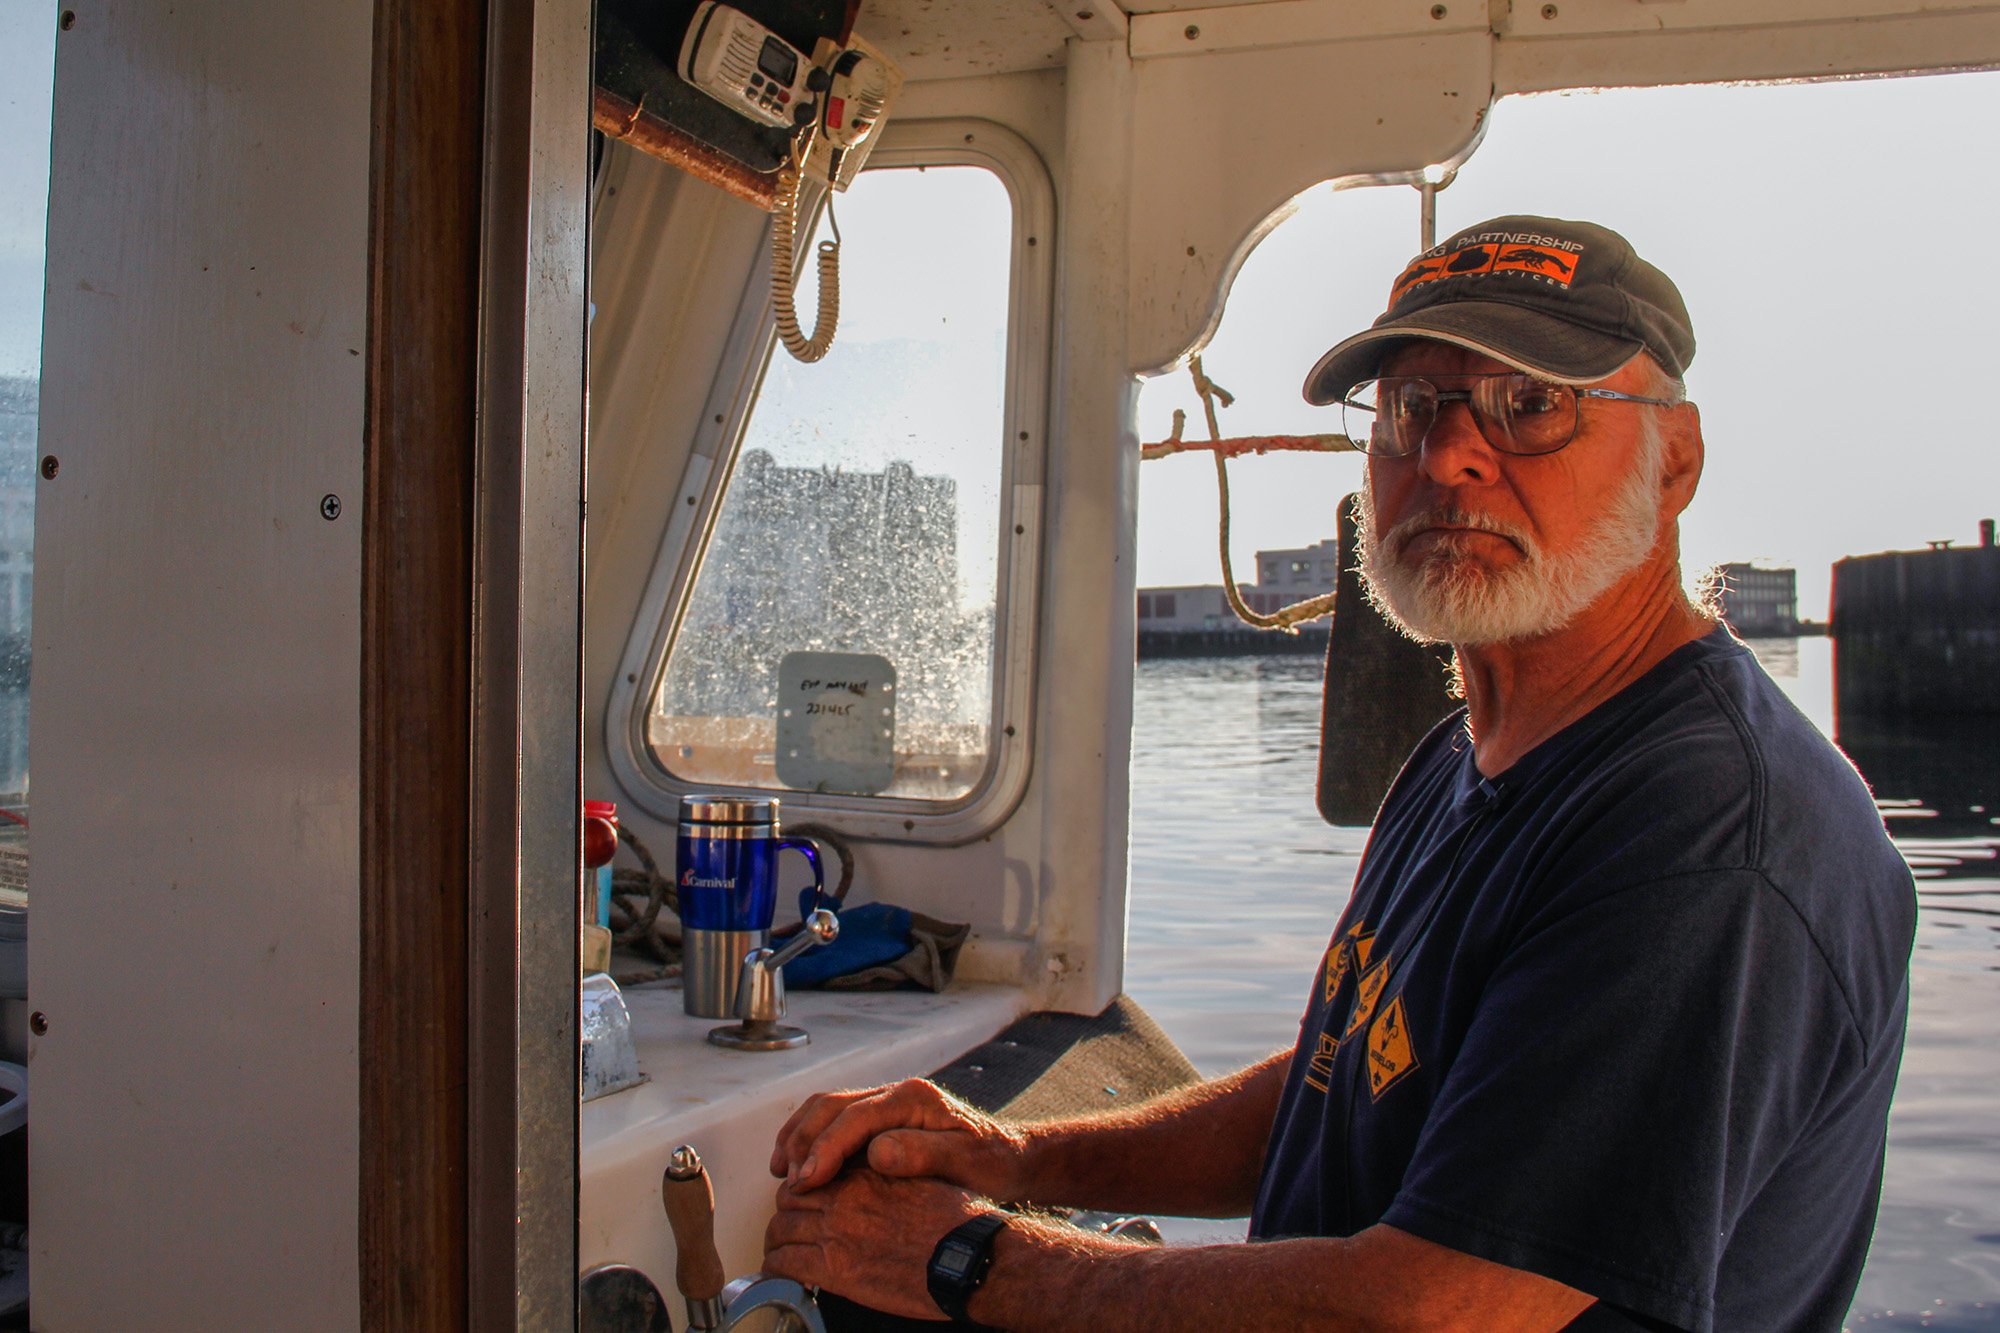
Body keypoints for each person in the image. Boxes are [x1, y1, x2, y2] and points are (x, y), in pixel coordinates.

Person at [759, 215, 1916, 1332]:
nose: (1447, 454)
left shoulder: (1705, 837)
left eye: (1531, 405)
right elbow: (1346, 1081)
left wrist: (969, 1260)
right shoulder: (1463, 754)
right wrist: (1013, 1157)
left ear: (1674, 460)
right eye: (1412, 407)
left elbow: (1436, 1313)